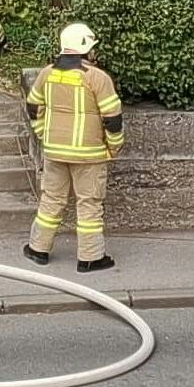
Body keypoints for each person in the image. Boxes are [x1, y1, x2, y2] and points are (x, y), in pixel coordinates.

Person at [23, 23, 125, 272]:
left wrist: (43, 133)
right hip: (89, 154)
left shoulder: (47, 73)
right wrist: (114, 148)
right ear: (87, 49)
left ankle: (38, 248)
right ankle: (90, 258)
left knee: (52, 200)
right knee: (89, 203)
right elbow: (112, 119)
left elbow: (33, 106)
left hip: (55, 151)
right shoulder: (98, 78)